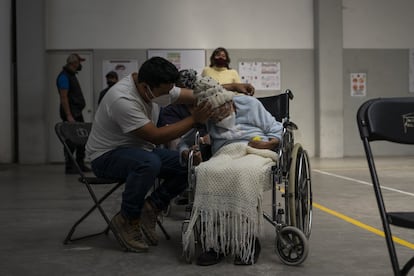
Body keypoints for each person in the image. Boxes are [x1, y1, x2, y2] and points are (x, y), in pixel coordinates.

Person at [85, 57, 214, 253]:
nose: (168, 96)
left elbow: (192, 94)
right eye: (164, 92)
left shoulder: (154, 85)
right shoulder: (123, 99)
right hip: (106, 156)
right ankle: (127, 219)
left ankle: (151, 208)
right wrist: (194, 119)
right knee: (148, 163)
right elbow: (154, 136)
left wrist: (230, 91)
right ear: (146, 87)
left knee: (188, 163)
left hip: (139, 151)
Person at [182, 76, 283, 266]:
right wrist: (188, 152)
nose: (219, 117)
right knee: (206, 171)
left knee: (244, 172)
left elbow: (276, 129)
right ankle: (215, 241)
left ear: (229, 100)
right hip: (225, 153)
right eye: (214, 116)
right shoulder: (207, 117)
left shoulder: (249, 104)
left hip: (255, 150)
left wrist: (270, 142)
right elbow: (185, 142)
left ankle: (247, 240)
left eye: (223, 110)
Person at [56, 53, 91, 174]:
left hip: (76, 112)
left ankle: (80, 164)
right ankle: (70, 166)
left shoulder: (71, 75)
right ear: (74, 63)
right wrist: (69, 115)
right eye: (79, 62)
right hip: (71, 114)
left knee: (81, 138)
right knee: (71, 140)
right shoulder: (64, 77)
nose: (80, 65)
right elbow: (64, 97)